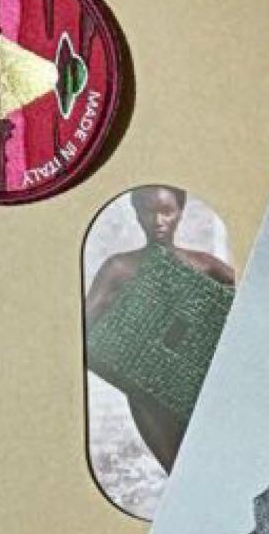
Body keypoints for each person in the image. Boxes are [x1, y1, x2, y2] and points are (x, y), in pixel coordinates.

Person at [85, 185, 235, 472]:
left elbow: (250, 303)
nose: (158, 221)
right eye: (148, 211)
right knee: (179, 472)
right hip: (149, 395)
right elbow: (81, 329)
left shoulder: (204, 264)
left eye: (166, 211)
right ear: (137, 214)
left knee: (215, 466)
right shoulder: (119, 267)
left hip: (199, 388)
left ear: (180, 212)